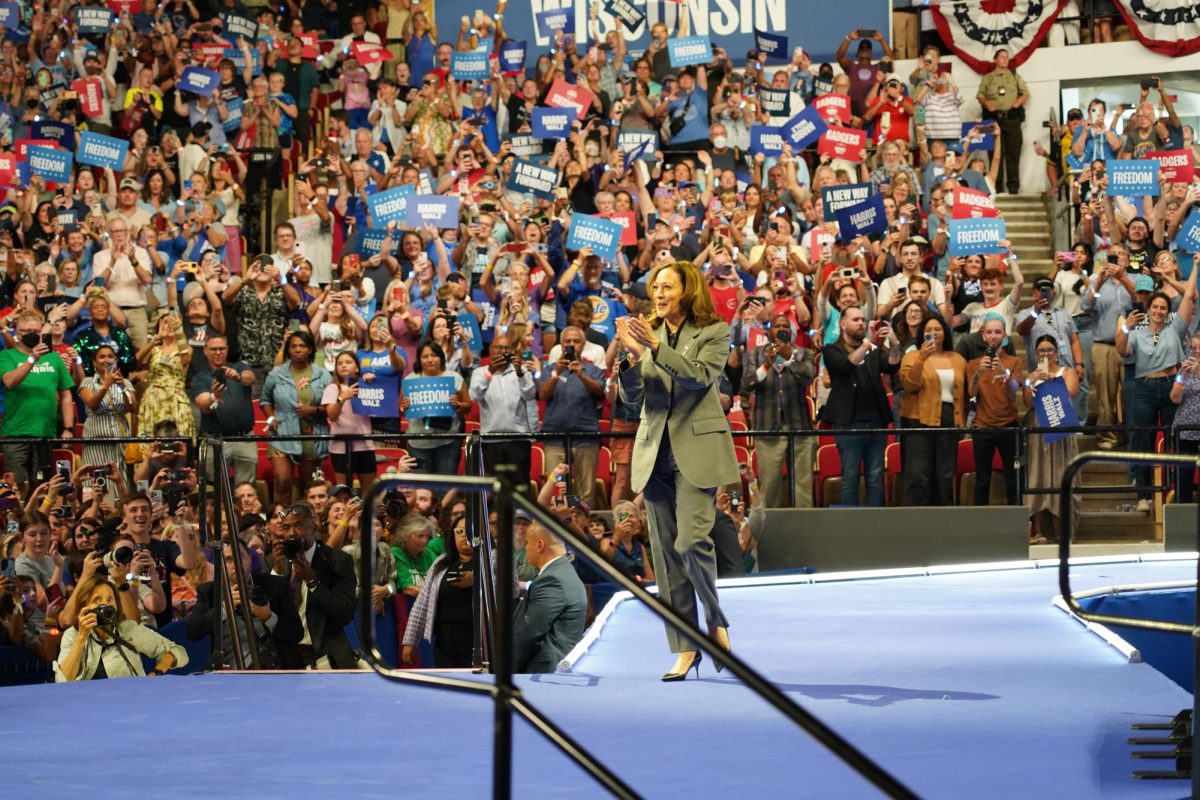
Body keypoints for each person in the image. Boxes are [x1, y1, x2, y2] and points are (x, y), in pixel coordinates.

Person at [614, 259, 739, 681]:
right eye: (655, 288)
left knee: (690, 543)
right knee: (667, 559)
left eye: (667, 287)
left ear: (687, 291)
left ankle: (715, 622)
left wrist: (652, 347)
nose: (659, 294)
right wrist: (629, 359)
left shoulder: (714, 332)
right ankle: (685, 648)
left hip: (696, 452)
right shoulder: (646, 334)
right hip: (654, 453)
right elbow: (631, 399)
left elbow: (700, 378)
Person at [1116, 273, 1197, 511]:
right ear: (1148, 309)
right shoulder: (1137, 332)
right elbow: (1122, 351)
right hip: (1144, 388)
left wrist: (1195, 267)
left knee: (1175, 439)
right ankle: (1144, 495)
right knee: (1143, 440)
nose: (1159, 311)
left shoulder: (1175, 328)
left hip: (1172, 387)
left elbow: (1189, 296)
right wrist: (1125, 328)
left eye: (1163, 307)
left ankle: (1175, 492)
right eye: (1155, 307)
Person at [820, 309, 902, 507]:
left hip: (876, 421)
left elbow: (891, 366)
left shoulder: (872, 350)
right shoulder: (832, 349)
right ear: (842, 324)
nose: (861, 323)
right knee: (850, 476)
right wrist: (868, 343)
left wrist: (895, 344)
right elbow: (846, 366)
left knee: (875, 477)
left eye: (863, 320)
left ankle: (874, 525)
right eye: (855, 320)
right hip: (848, 423)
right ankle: (850, 525)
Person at [186, 538, 304, 670]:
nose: (236, 563)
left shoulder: (275, 585)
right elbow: (192, 632)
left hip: (274, 670)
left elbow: (297, 633)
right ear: (220, 566)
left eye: (240, 556)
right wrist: (224, 609)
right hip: (230, 673)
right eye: (229, 559)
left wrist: (268, 617)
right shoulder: (209, 592)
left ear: (250, 560)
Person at [741, 315, 817, 508]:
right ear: (769, 331)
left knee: (803, 487)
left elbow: (808, 377)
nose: (781, 329)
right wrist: (766, 365)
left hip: (799, 428)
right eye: (777, 326)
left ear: (791, 332)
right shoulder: (755, 354)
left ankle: (805, 532)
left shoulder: (803, 353)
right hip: (768, 429)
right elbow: (747, 384)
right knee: (769, 486)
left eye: (785, 326)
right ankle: (769, 532)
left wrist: (789, 357)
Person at [270, 503, 357, 669]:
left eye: (299, 525)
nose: (292, 533)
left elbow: (344, 613)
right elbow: (267, 614)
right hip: (287, 656)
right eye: (286, 527)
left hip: (326, 655)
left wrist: (312, 581)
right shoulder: (274, 560)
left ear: (314, 527)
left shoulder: (337, 561)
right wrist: (276, 572)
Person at [54, 575, 189, 681]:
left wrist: (156, 673)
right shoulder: (72, 635)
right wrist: (82, 637)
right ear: (84, 606)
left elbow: (174, 650)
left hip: (129, 700)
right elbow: (63, 680)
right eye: (97, 600)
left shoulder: (127, 629)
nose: (105, 605)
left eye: (109, 599)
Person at [2, 310, 76, 490]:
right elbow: (10, 382)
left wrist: (68, 428)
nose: (31, 335)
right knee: (16, 486)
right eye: (26, 331)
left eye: (35, 331)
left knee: (42, 486)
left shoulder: (53, 358)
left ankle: (41, 518)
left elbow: (66, 395)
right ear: (17, 333)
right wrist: (33, 358)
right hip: (15, 432)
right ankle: (13, 518)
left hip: (45, 431)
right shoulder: (6, 356)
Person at [899, 315, 967, 506]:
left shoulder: (957, 358)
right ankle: (915, 524)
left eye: (937, 329)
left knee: (945, 475)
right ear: (922, 334)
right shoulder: (912, 356)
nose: (933, 334)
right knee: (917, 474)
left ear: (945, 333)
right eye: (928, 330)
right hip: (917, 421)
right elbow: (910, 385)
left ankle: (942, 523)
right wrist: (921, 359)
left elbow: (966, 393)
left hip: (949, 419)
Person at [260, 330, 333, 504]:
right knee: (282, 480)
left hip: (312, 433)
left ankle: (306, 524)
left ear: (310, 349)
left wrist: (313, 410)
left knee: (310, 486)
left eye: (302, 346)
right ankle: (281, 520)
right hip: (282, 432)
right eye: (293, 346)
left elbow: (332, 407)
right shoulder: (276, 374)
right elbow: (264, 400)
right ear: (288, 349)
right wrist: (271, 419)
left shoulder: (323, 375)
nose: (298, 350)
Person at [401, 511, 477, 668]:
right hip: (445, 644)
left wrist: (477, 579)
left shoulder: (493, 558)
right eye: (459, 531)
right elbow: (421, 603)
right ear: (452, 535)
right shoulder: (441, 562)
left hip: (479, 642)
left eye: (469, 531)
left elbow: (511, 588)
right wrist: (410, 641)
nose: (464, 536)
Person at [1024, 335, 1081, 543]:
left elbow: (1071, 393)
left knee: (1060, 474)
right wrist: (1034, 381)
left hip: (1060, 425)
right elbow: (1027, 401)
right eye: (1041, 350)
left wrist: (1052, 381)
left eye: (1049, 350)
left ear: (1056, 352)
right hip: (1038, 426)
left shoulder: (1067, 372)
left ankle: (1062, 530)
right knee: (1037, 474)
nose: (1046, 354)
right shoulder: (1032, 375)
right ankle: (1036, 529)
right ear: (1036, 353)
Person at [512, 523, 587, 674]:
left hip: (541, 672)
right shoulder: (563, 571)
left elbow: (530, 634)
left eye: (527, 543)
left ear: (540, 545)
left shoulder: (553, 579)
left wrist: (509, 670)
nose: (525, 548)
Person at [966, 316, 1025, 505]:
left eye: (998, 332)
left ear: (1005, 336)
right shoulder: (973, 364)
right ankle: (980, 525)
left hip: (1008, 426)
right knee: (982, 480)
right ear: (983, 335)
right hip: (983, 427)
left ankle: (1014, 523)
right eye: (989, 332)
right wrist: (977, 373)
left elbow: (1013, 390)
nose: (993, 336)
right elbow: (971, 393)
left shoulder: (1014, 362)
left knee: (1012, 478)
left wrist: (1002, 372)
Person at [189, 336, 258, 487]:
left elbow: (251, 378)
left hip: (244, 438)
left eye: (222, 349)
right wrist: (215, 396)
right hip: (216, 440)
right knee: (216, 488)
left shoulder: (239, 367)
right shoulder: (200, 378)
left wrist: (237, 377)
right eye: (214, 349)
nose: (218, 352)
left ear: (227, 350)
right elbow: (204, 405)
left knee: (247, 488)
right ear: (205, 351)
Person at [470, 335, 536, 489]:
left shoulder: (522, 370)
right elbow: (474, 396)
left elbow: (530, 395)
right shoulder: (480, 372)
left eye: (506, 348)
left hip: (518, 439)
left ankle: (521, 515)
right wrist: (490, 372)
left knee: (520, 487)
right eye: (498, 347)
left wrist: (520, 373)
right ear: (491, 350)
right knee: (495, 488)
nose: (502, 351)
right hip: (491, 440)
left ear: (512, 351)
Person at [403, 343, 469, 475]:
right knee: (422, 489)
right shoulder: (410, 379)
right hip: (418, 443)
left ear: (441, 358)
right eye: (425, 356)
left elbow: (468, 405)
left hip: (448, 441)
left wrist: (459, 405)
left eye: (434, 355)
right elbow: (400, 408)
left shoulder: (454, 378)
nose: (429, 360)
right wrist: (404, 406)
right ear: (419, 360)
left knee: (445, 487)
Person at [976, 49, 1028, 195]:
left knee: (1013, 152)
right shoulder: (987, 78)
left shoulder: (1014, 76)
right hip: (993, 120)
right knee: (994, 153)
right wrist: (987, 104)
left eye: (1007, 57)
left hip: (1011, 118)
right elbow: (980, 96)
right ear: (995, 60)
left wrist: (1016, 104)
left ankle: (1013, 185)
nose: (1005, 60)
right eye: (1001, 57)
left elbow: (1025, 93)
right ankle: (996, 186)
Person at [1170, 333, 1200, 503]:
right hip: (1185, 430)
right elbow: (1175, 398)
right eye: (1193, 348)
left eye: (1199, 348)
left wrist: (1198, 372)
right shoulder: (1184, 370)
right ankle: (1184, 514)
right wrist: (1183, 377)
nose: (1196, 352)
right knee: (1184, 476)